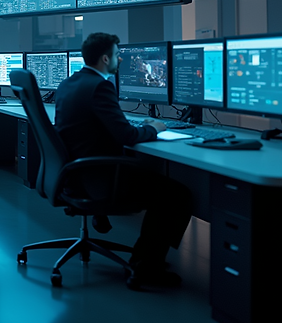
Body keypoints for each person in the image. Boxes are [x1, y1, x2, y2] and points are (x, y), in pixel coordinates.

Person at [54, 32, 192, 291]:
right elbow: (127, 135)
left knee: (163, 187)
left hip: (77, 176)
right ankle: (147, 267)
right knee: (177, 194)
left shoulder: (69, 83)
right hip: (99, 178)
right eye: (117, 55)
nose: (119, 60)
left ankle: (142, 258)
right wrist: (155, 128)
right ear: (106, 58)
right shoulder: (101, 86)